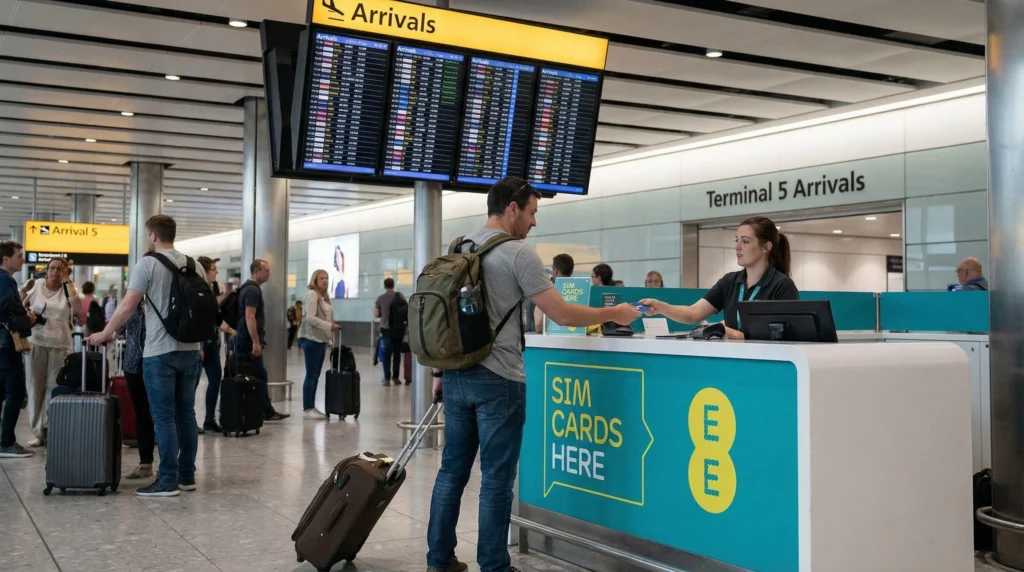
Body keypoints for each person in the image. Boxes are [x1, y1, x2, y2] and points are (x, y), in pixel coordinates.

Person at [425, 177, 640, 572]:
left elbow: (446, 318)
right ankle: (494, 565)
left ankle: (438, 560)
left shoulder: (460, 246)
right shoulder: (517, 253)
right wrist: (613, 313)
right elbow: (562, 313)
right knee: (496, 478)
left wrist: (439, 371)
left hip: (456, 376)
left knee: (451, 470)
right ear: (512, 209)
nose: (534, 222)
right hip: (499, 378)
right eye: (532, 212)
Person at [87, 215, 206, 497]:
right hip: (190, 350)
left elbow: (128, 306)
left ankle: (166, 480)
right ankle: (186, 476)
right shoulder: (195, 264)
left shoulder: (148, 263)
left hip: (158, 351)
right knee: (186, 414)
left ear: (153, 236)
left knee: (163, 417)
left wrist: (105, 333)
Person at [641, 216, 798, 340]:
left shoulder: (782, 286)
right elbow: (692, 313)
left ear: (766, 247)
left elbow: (788, 338)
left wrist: (742, 336)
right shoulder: (730, 282)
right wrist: (660, 306)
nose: (737, 246)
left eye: (745, 241)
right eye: (736, 240)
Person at [21, 258, 80, 447]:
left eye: (60, 269)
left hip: (60, 345)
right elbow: (19, 300)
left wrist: (67, 281)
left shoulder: (67, 288)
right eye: (53, 268)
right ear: (47, 270)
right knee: (35, 387)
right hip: (36, 342)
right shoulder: (37, 285)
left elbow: (78, 308)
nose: (55, 272)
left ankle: (50, 429)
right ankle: (37, 432)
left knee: (54, 388)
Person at [234, 259, 289, 422]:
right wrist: (256, 342)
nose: (269, 273)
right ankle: (266, 411)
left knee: (255, 375)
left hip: (243, 339)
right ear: (257, 271)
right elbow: (250, 317)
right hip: (248, 341)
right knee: (259, 376)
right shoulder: (253, 291)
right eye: (266, 270)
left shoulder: (247, 287)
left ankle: (263, 409)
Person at [0, 241, 36, 458]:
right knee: (15, 392)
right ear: (6, 258)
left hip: (1, 345)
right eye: (19, 255)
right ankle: (7, 442)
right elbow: (5, 308)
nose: (23, 259)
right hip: (6, 346)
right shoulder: (5, 280)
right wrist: (22, 319)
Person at [195, 256, 236, 434]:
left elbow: (215, 316)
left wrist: (229, 329)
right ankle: (187, 422)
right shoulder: (195, 288)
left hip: (213, 342)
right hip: (199, 344)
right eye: (213, 269)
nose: (217, 272)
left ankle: (209, 419)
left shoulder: (214, 287)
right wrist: (199, 346)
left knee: (215, 380)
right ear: (204, 271)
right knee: (192, 385)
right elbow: (199, 317)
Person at [120, 297, 155, 480]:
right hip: (133, 364)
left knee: (163, 414)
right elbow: (118, 328)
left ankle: (171, 464)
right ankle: (145, 463)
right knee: (142, 414)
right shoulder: (130, 304)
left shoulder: (159, 300)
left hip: (157, 363)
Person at [298, 270, 338, 419]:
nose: (325, 280)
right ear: (315, 280)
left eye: (327, 278)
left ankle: (311, 405)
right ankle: (308, 408)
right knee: (311, 374)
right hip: (311, 339)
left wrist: (330, 337)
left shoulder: (325, 296)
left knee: (315, 374)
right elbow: (310, 318)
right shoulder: (312, 295)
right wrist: (329, 327)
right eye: (321, 278)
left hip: (321, 339)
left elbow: (328, 318)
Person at [374, 278, 407, 386]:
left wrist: (384, 314)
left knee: (386, 354)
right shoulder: (400, 296)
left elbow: (376, 314)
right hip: (398, 329)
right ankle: (396, 378)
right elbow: (405, 309)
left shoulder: (380, 298)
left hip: (386, 329)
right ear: (393, 285)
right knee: (397, 354)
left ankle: (387, 379)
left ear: (384, 286)